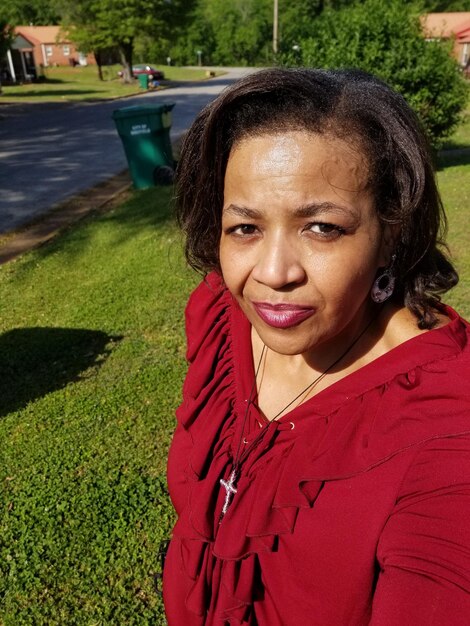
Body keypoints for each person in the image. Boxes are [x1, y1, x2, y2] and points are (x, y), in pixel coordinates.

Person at [163, 68, 470, 625]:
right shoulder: (221, 316)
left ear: (391, 232)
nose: (273, 274)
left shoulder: (447, 425)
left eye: (323, 228)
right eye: (245, 228)